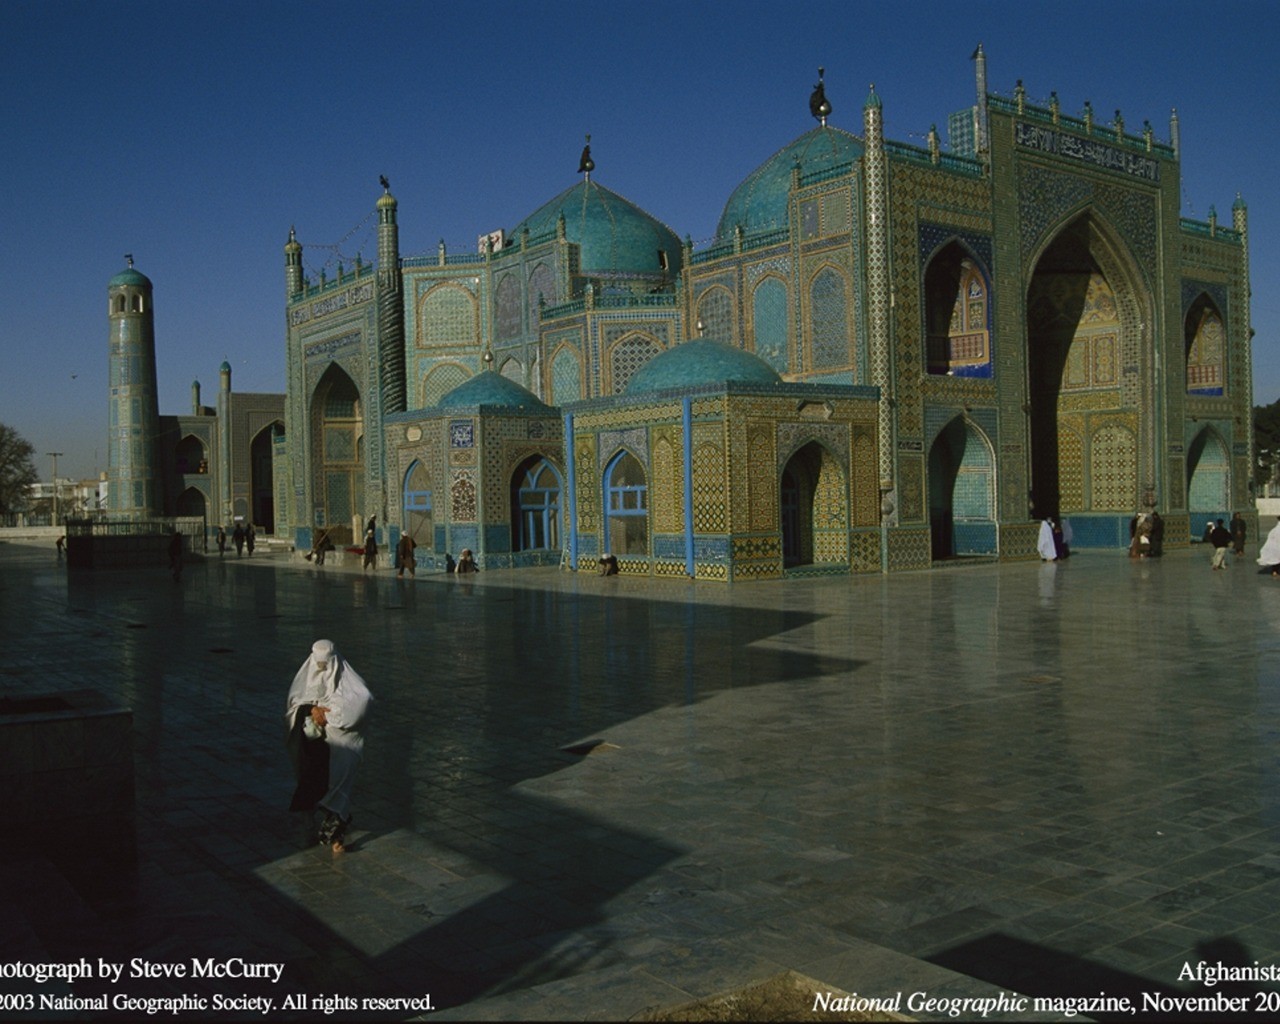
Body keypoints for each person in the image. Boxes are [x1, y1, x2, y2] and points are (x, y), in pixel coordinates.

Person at [285, 639, 372, 853]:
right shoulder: (304, 679)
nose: (322, 669)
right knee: (314, 783)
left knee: (338, 787)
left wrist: (329, 714)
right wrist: (311, 712)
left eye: (326, 664)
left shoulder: (351, 682)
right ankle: (314, 824)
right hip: (315, 747)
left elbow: (360, 703)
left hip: (342, 746)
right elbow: (294, 706)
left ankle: (336, 838)